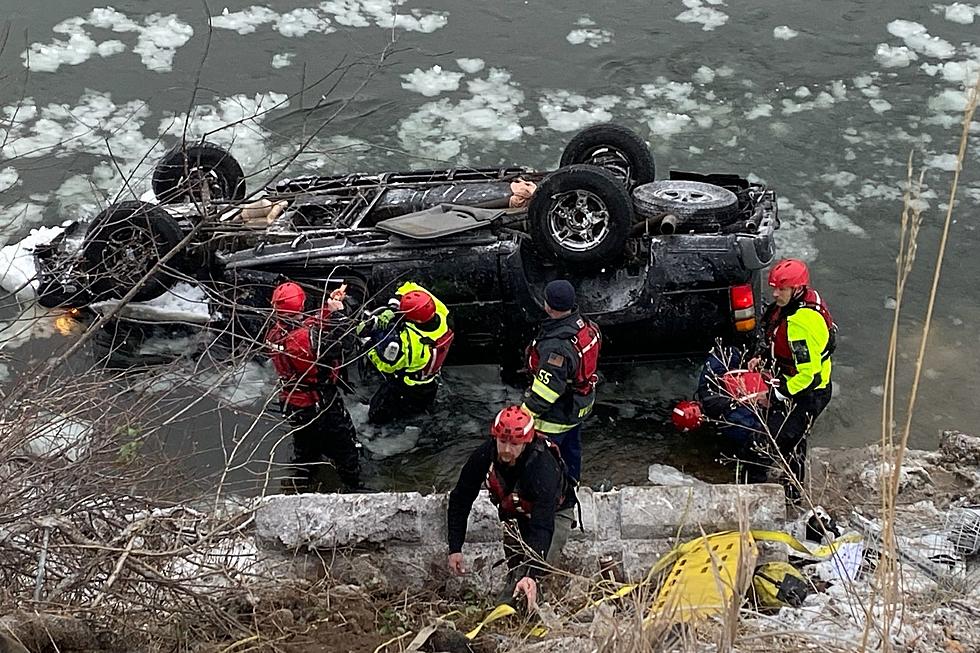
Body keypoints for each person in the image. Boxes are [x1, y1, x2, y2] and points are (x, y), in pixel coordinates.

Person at [447, 405, 577, 610]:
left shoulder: (542, 468)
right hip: (515, 512)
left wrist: (532, 574)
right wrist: (455, 547)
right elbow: (461, 498)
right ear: (495, 438)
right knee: (516, 568)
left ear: (526, 442)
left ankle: (515, 608)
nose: (507, 450)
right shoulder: (484, 456)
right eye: (503, 441)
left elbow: (542, 527)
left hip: (554, 514)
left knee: (535, 570)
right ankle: (517, 601)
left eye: (515, 444)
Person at [749, 258, 836, 502]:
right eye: (773, 287)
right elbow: (780, 340)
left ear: (797, 290)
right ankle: (793, 493)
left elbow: (807, 375)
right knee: (794, 442)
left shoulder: (800, 325)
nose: (775, 293)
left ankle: (752, 495)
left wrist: (774, 395)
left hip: (807, 393)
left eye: (781, 289)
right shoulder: (797, 305)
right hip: (801, 386)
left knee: (764, 443)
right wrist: (764, 356)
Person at [265, 281, 361, 491]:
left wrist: (329, 307)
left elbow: (308, 325)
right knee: (345, 447)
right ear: (300, 305)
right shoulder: (304, 341)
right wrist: (339, 315)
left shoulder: (275, 332)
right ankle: (353, 486)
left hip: (293, 401)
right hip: (319, 402)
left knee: (305, 448)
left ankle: (301, 484)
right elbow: (345, 344)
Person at [521, 279, 601, 482]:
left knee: (545, 461)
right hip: (579, 404)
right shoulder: (585, 326)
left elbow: (547, 391)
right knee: (572, 450)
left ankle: (551, 493)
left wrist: (524, 415)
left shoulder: (556, 347)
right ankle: (572, 483)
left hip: (556, 416)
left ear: (549, 306)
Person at [672, 344, 771, 479]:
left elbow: (759, 437)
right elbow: (727, 352)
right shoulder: (707, 381)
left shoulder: (729, 422)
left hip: (775, 397)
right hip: (770, 368)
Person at [361, 281, 454, 424]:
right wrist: (393, 306)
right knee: (418, 413)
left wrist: (368, 345)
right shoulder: (442, 312)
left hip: (406, 389)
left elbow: (387, 366)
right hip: (430, 383)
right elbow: (409, 286)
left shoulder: (411, 344)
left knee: (377, 415)